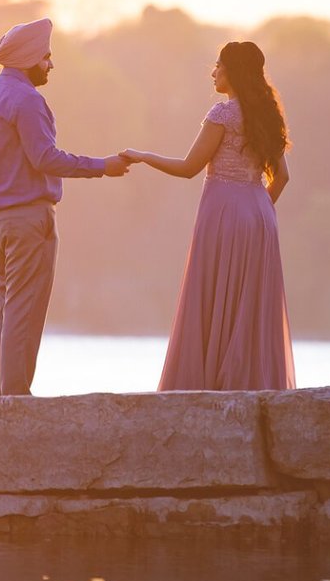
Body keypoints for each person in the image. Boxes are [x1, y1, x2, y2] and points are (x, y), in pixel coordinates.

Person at [0, 17, 130, 396]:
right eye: (46, 57)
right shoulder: (27, 99)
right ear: (29, 59)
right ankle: (16, 400)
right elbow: (45, 158)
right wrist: (102, 167)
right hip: (27, 219)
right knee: (24, 310)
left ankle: (5, 396)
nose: (51, 65)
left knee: (6, 310)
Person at [121, 40, 295, 391]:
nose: (213, 72)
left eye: (218, 66)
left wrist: (142, 156)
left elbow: (189, 168)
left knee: (215, 291)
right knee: (249, 302)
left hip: (224, 212)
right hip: (260, 215)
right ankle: (250, 381)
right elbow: (283, 177)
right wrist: (256, 211)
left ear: (234, 72)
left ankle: (210, 380)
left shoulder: (223, 114)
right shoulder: (266, 114)